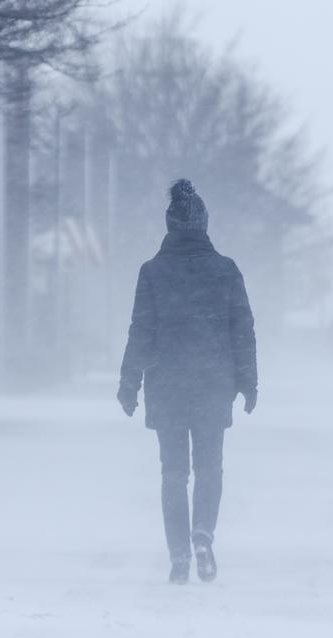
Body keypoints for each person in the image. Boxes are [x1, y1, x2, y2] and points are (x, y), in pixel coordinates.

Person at [118, 179, 258, 585]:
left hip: (168, 383)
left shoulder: (153, 272)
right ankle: (203, 535)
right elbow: (242, 330)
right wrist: (249, 382)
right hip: (214, 382)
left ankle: (179, 552)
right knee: (210, 467)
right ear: (203, 224)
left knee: (174, 472)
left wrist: (129, 383)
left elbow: (140, 331)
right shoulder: (226, 270)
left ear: (170, 225)